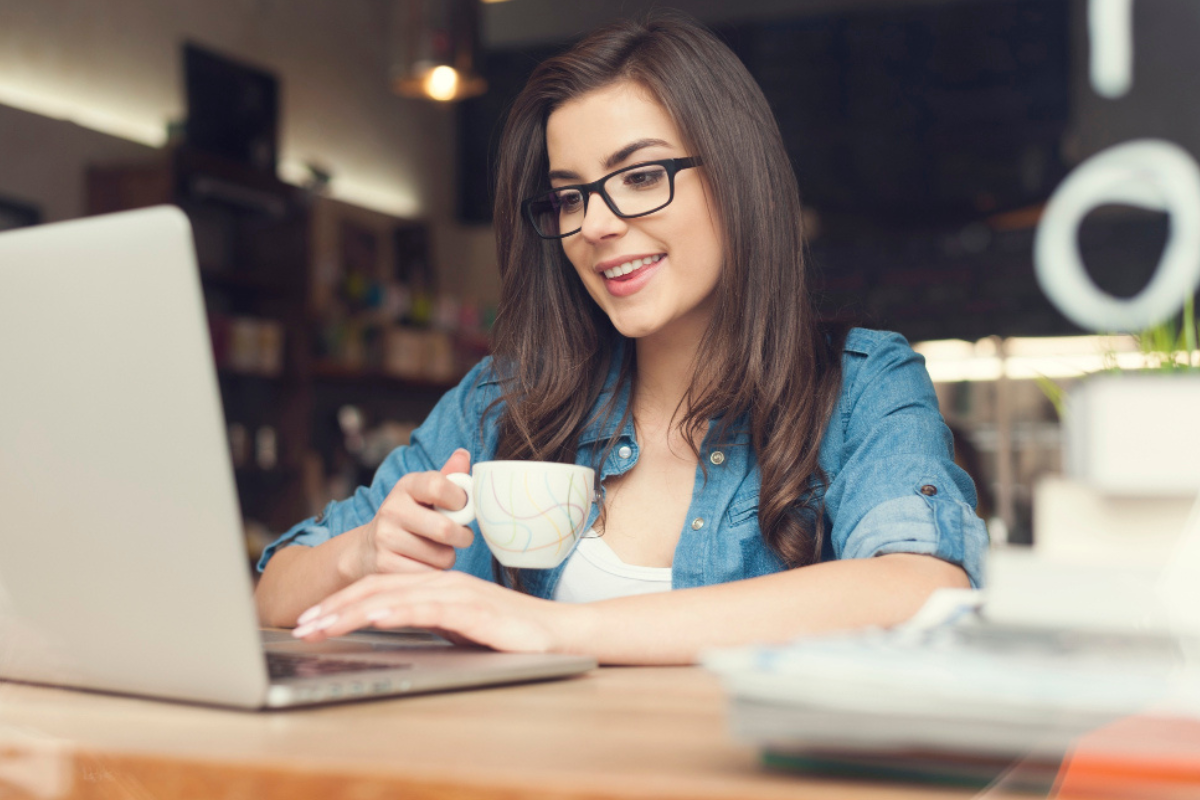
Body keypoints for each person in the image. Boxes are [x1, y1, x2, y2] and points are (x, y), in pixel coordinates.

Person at [255, 12, 988, 665]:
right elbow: (273, 591)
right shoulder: (502, 401)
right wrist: (362, 553)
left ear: (738, 177)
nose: (595, 225)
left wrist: (552, 628)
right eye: (570, 195)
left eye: (639, 176)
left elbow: (923, 586)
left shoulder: (860, 386)